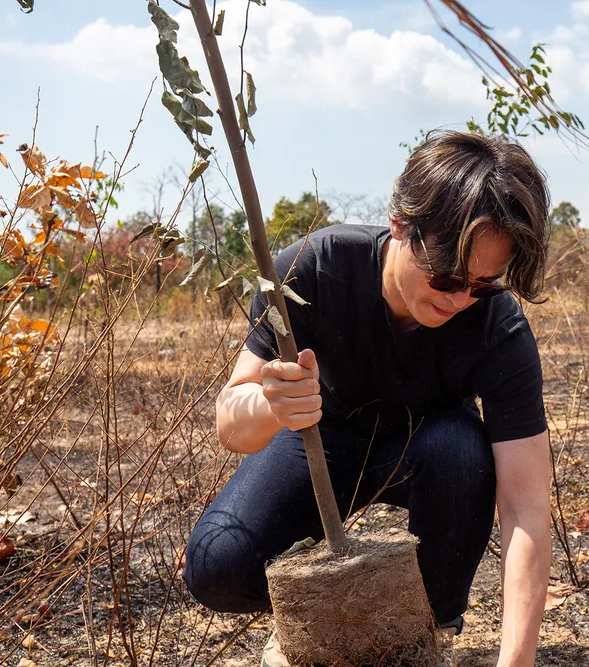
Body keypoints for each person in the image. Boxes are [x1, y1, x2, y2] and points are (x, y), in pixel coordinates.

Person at [183, 130, 553, 667]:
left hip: (429, 451)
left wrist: (516, 663)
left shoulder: (498, 328)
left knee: (458, 449)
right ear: (401, 225)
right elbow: (230, 424)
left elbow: (525, 508)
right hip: (320, 436)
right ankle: (310, 619)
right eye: (447, 275)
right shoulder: (315, 267)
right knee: (218, 566)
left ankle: (426, 630)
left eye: (483, 283)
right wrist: (272, 405)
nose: (459, 300)